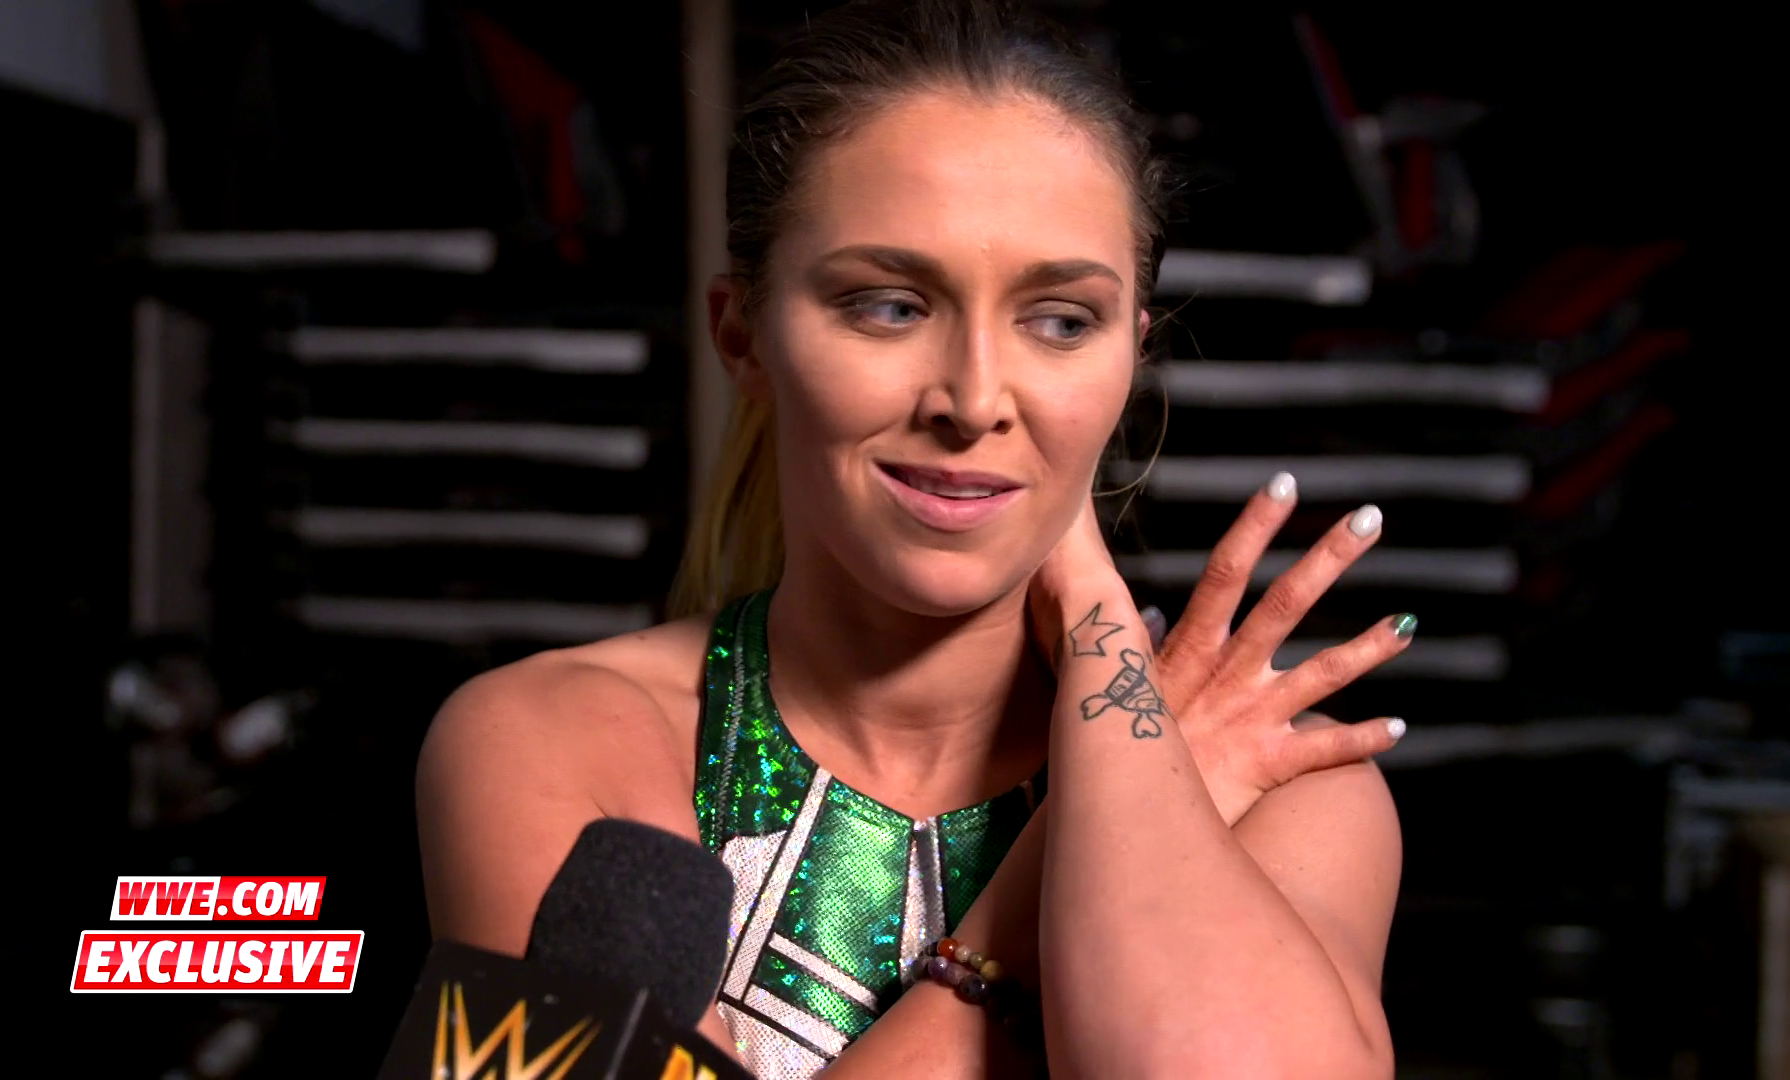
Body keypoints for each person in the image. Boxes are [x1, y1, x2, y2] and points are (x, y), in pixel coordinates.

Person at [417, 1, 1410, 1075]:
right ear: (742, 335)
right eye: (889, 306)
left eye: (1060, 322)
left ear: (1130, 358)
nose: (974, 400)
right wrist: (1062, 863)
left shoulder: (1291, 785)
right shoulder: (550, 740)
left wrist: (1097, 619)